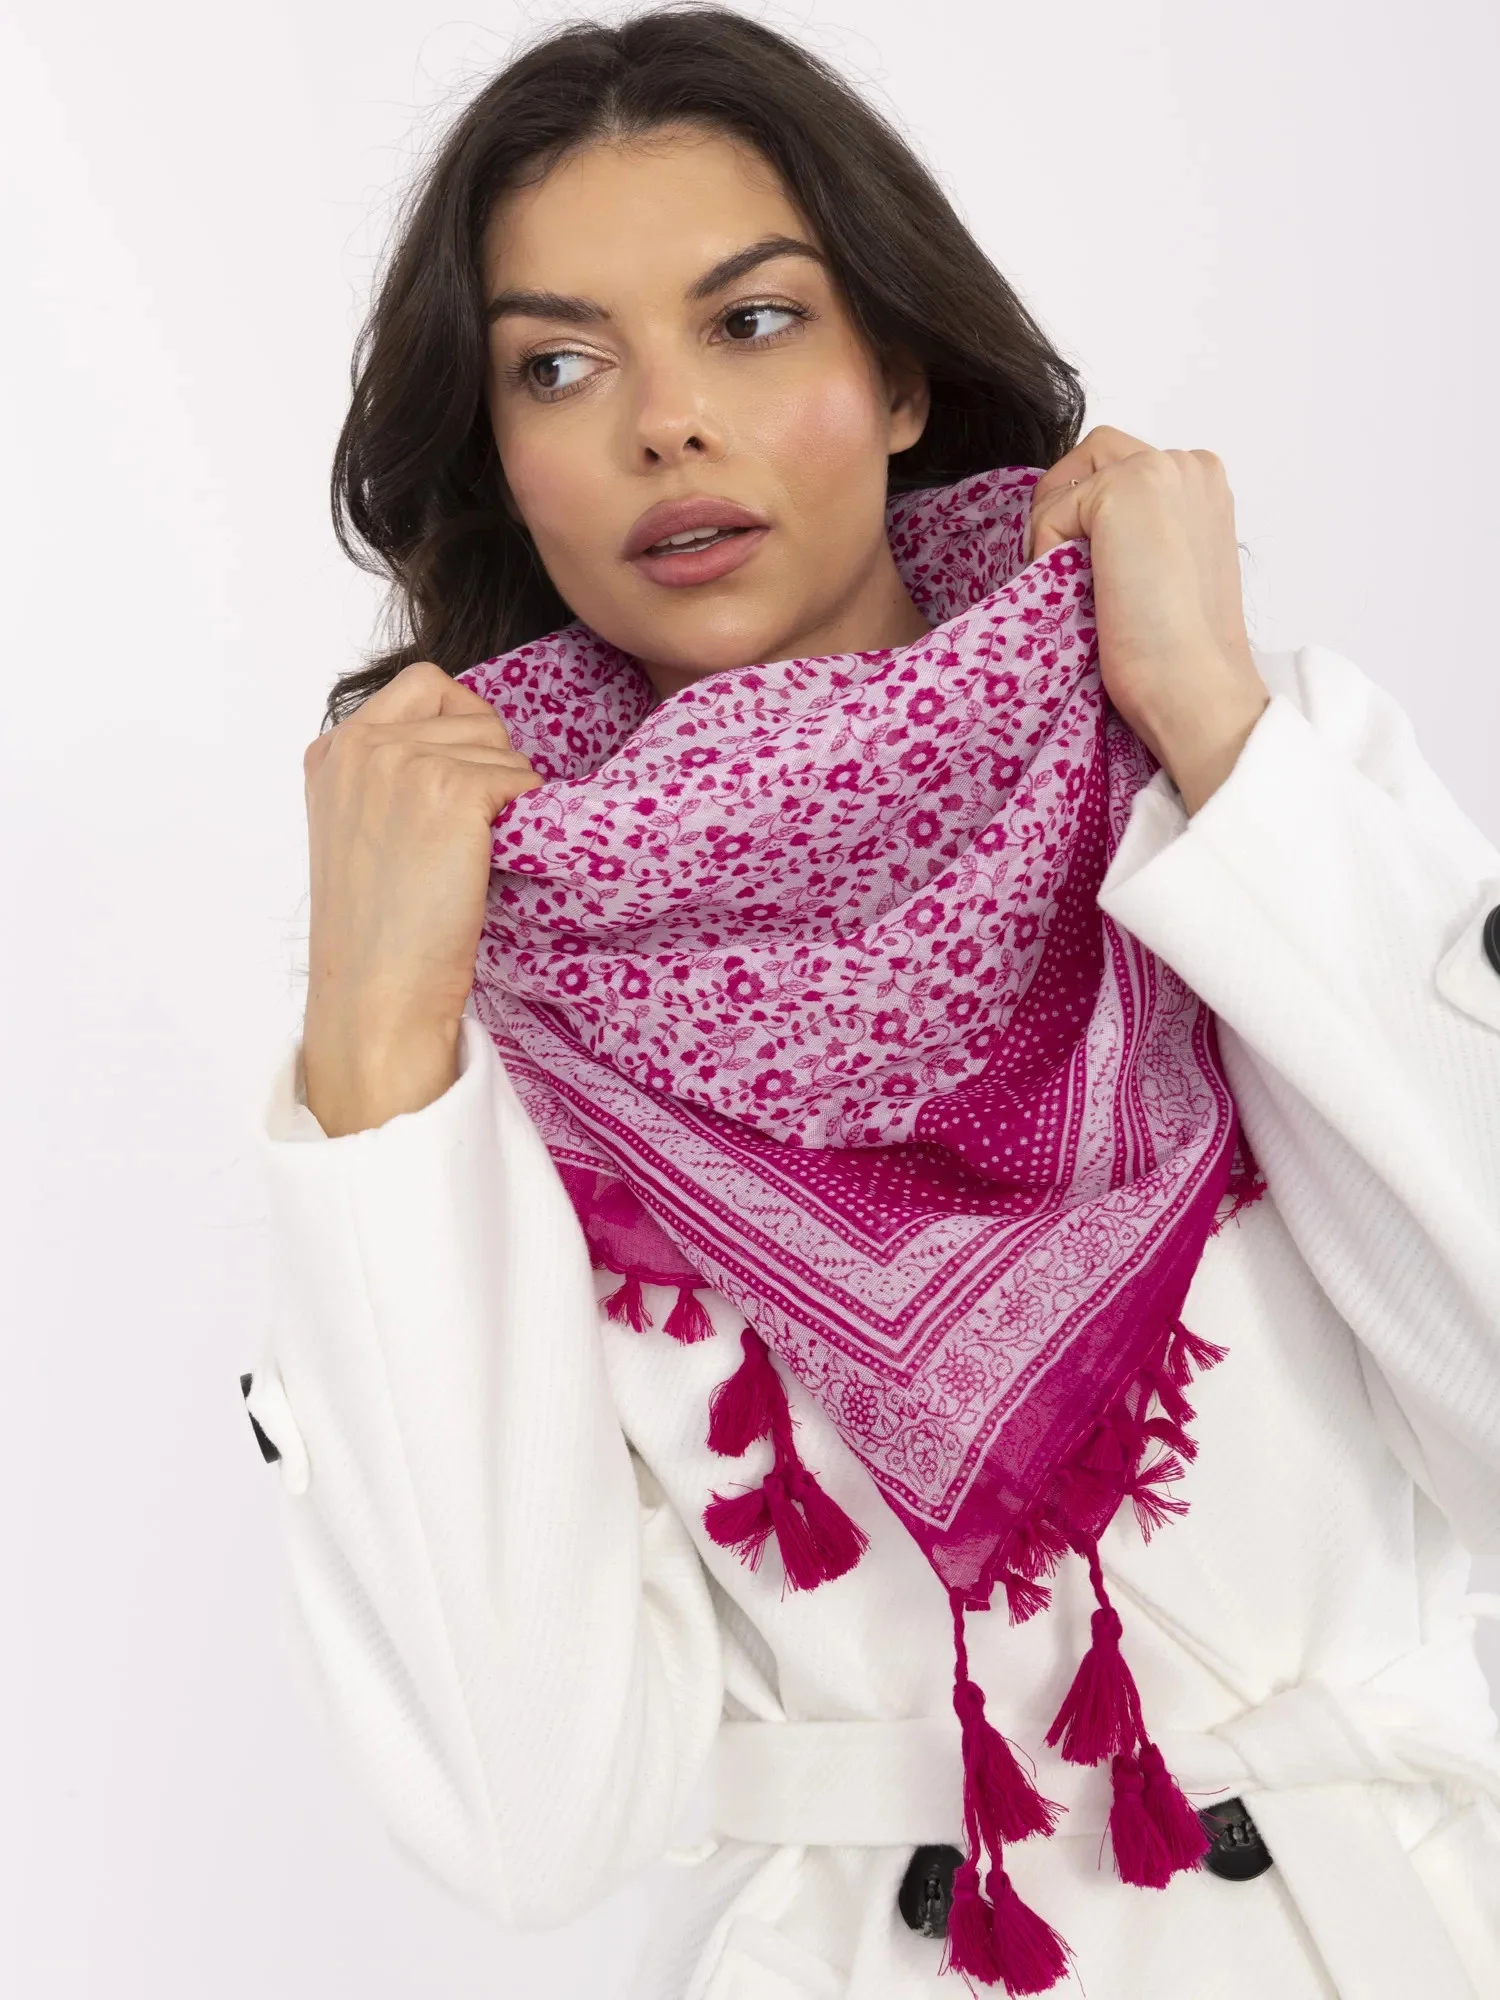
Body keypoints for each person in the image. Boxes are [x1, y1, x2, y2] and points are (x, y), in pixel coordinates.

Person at [239, 10, 1500, 1997]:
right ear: (502, 463)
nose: (667, 422)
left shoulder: (1228, 772)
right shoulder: (475, 1009)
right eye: (560, 366)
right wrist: (380, 1042)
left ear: (899, 373)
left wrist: (1217, 726)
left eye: (750, 322)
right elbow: (529, 1821)